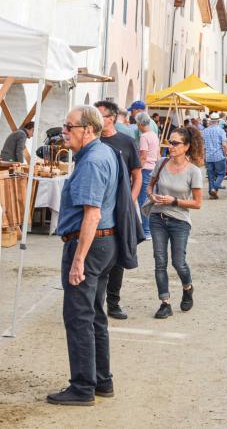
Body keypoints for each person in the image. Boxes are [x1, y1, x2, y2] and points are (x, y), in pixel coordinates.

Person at [47, 105, 118, 407]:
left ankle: (83, 387)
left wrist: (78, 260)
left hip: (89, 244)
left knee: (79, 316)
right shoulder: (102, 153)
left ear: (88, 130)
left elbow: (92, 214)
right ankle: (101, 381)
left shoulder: (92, 161)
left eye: (69, 126)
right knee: (95, 315)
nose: (65, 132)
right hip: (104, 244)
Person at [147, 126, 203, 318]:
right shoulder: (161, 163)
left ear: (186, 146)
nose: (171, 146)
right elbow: (150, 186)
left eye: (175, 143)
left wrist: (175, 201)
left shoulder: (193, 171)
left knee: (179, 263)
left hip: (180, 221)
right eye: (170, 142)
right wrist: (152, 196)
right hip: (157, 218)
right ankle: (165, 303)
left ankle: (187, 288)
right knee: (160, 261)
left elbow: (197, 203)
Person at [94, 101, 141, 321]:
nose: (95, 119)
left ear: (111, 118)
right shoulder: (92, 141)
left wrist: (129, 201)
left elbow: (137, 175)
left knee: (118, 256)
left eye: (99, 115)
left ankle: (113, 303)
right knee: (94, 255)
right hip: (95, 207)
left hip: (120, 209)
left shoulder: (127, 142)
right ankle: (95, 304)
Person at [136, 112, 160, 239]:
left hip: (145, 169)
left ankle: (146, 230)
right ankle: (149, 228)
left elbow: (143, 156)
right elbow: (157, 154)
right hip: (153, 168)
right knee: (150, 199)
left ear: (140, 123)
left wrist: (137, 171)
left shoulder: (144, 136)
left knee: (143, 200)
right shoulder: (154, 135)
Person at [203, 113, 227, 199]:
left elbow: (204, 145)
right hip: (218, 155)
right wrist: (225, 154)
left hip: (209, 156)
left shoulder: (205, 131)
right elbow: (224, 144)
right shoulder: (221, 131)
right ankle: (215, 187)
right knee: (221, 173)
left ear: (210, 121)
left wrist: (204, 156)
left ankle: (212, 193)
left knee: (211, 176)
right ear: (218, 121)